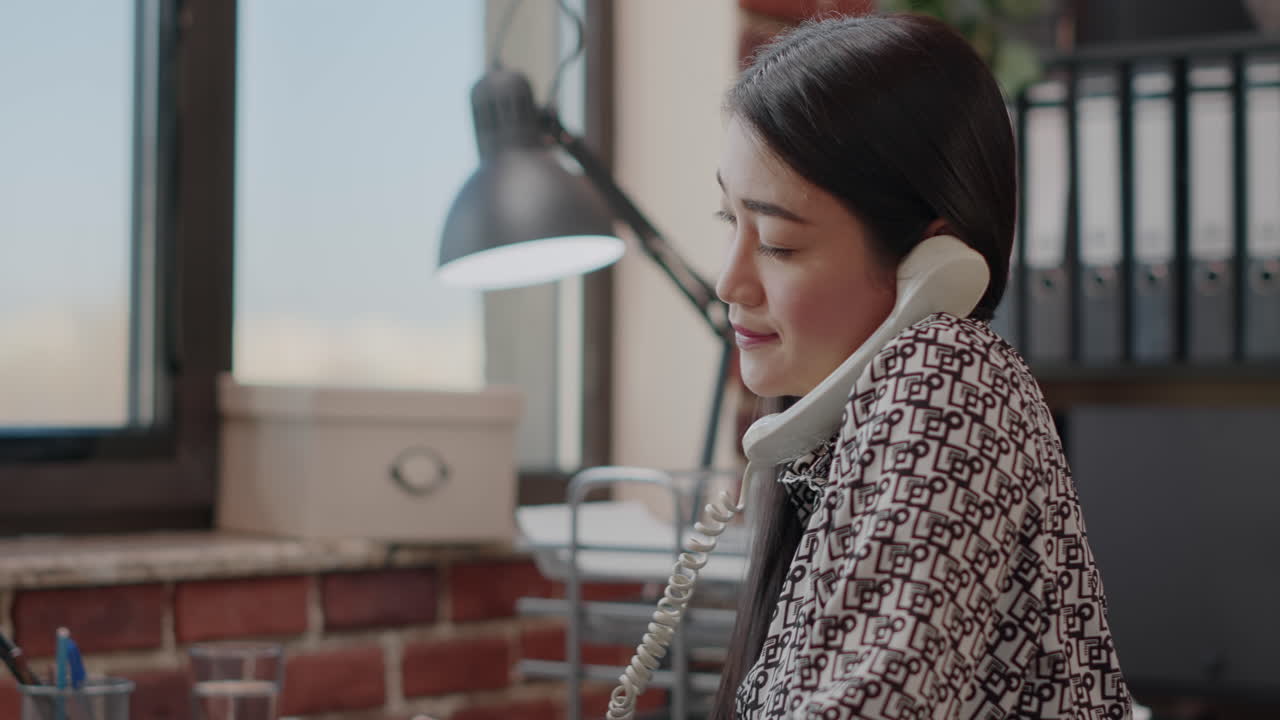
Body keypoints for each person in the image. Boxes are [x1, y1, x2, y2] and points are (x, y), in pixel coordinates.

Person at [706, 13, 1133, 720]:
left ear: (926, 264)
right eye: (729, 222)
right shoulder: (840, 431)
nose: (729, 282)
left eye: (778, 241)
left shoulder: (946, 382)